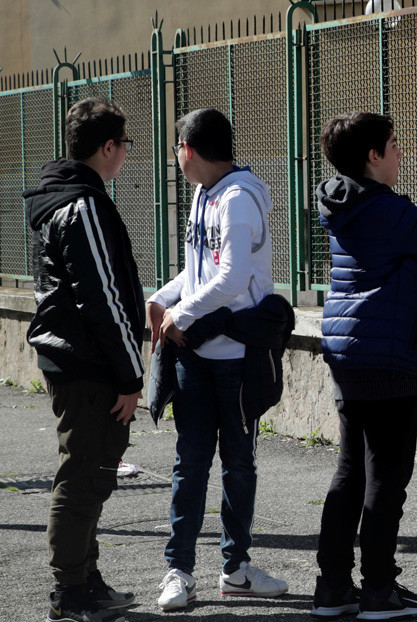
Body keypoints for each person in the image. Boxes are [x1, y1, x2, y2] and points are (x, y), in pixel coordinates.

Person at [311, 112, 417, 620]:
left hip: (352, 353)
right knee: (386, 478)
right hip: (389, 358)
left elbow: (413, 227)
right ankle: (379, 591)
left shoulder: (356, 205)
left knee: (350, 476)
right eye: (392, 145)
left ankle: (333, 589)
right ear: (372, 157)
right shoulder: (381, 211)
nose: (399, 153)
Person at [146, 108, 287, 611]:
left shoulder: (239, 199)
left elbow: (231, 279)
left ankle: (235, 569)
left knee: (238, 465)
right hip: (195, 356)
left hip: (237, 359)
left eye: (176, 150)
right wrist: (163, 298)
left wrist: (179, 315)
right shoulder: (204, 195)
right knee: (190, 463)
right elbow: (198, 271)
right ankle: (179, 571)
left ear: (187, 149)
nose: (176, 160)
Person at [23, 96, 143, 622]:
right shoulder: (85, 205)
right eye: (124, 146)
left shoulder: (66, 197)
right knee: (83, 476)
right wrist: (131, 373)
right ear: (108, 147)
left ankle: (86, 580)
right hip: (88, 366)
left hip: (77, 361)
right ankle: (69, 592)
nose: (124, 156)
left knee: (91, 473)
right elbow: (103, 299)